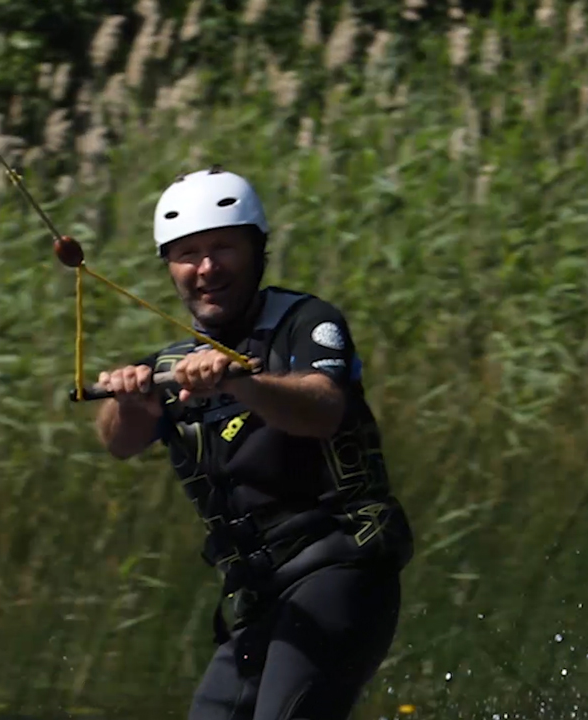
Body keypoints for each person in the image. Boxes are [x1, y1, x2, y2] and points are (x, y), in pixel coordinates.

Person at [92, 166, 415, 720]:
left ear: (258, 250)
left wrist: (243, 381)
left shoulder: (305, 323)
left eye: (224, 247)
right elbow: (120, 442)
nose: (208, 267)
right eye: (188, 253)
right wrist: (129, 402)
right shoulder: (172, 364)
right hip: (257, 596)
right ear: (170, 266)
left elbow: (322, 408)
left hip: (337, 568)